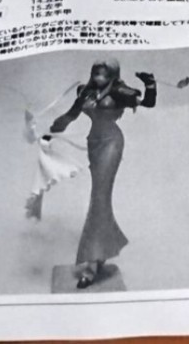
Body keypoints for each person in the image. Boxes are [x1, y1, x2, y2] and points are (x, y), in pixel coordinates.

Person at [48, 58, 156, 288]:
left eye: (105, 75)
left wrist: (150, 84)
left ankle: (91, 265)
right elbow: (71, 115)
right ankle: (103, 250)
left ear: (113, 76)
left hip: (112, 143)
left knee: (99, 198)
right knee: (100, 200)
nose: (99, 78)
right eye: (96, 73)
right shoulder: (85, 92)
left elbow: (148, 103)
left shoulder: (119, 92)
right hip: (94, 142)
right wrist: (53, 130)